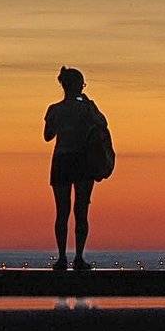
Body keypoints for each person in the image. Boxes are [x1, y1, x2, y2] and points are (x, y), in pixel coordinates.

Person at [44, 66, 107, 271]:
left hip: (62, 160)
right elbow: (102, 125)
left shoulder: (54, 109)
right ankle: (78, 257)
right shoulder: (87, 108)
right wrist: (88, 108)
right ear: (78, 85)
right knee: (81, 211)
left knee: (62, 212)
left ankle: (62, 258)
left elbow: (47, 135)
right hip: (81, 160)